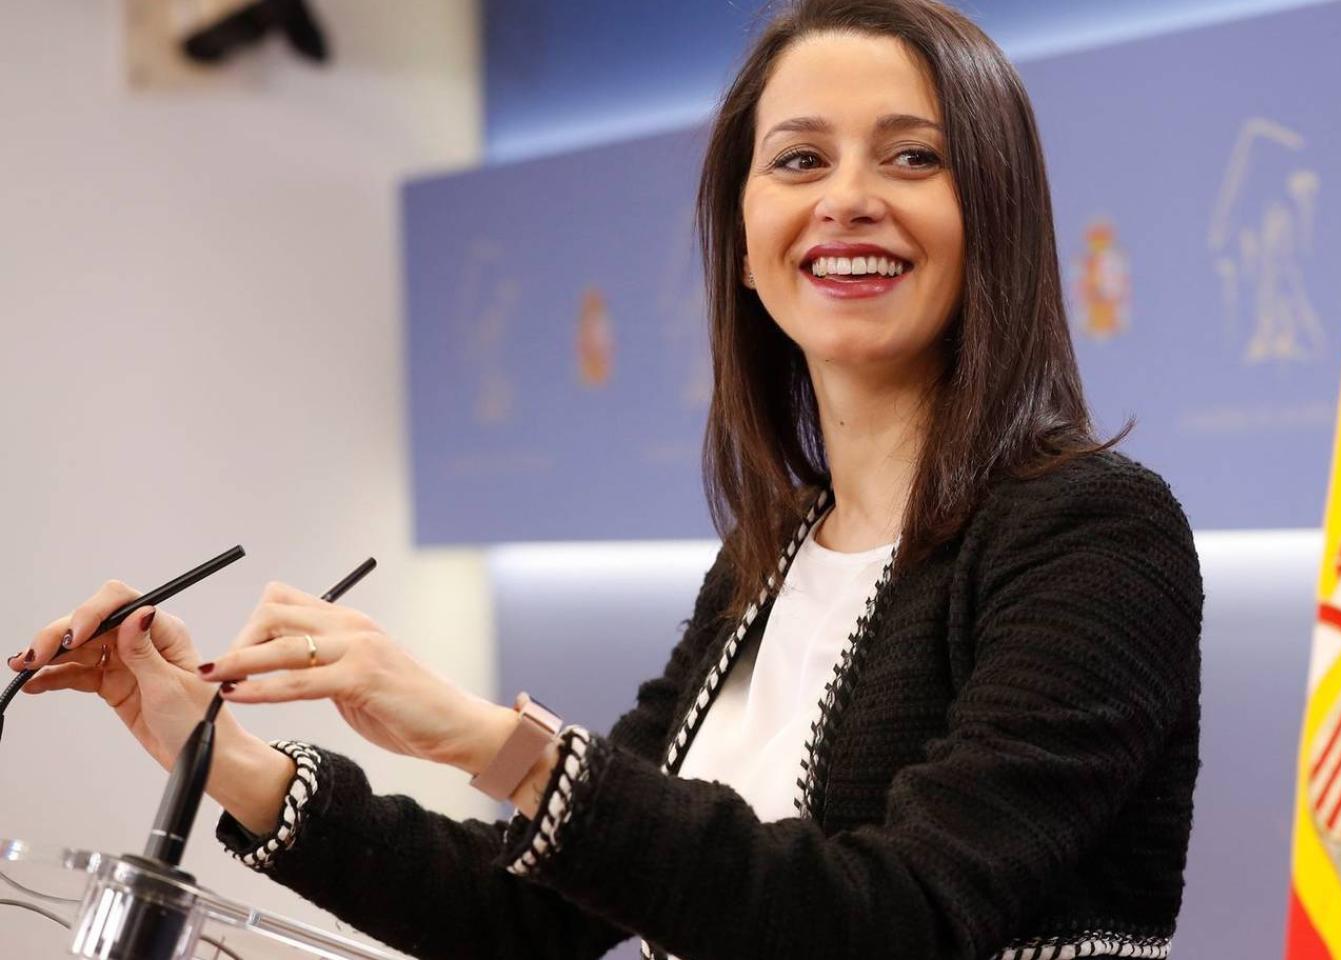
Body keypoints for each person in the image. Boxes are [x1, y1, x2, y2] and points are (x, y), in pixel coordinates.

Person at [11, 1, 1203, 957]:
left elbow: (896, 919)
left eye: (911, 156)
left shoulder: (1094, 534)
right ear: (743, 243)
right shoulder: (770, 554)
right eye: (797, 159)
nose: (846, 196)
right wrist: (205, 742)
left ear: (992, 213)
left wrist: (495, 743)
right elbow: (532, 915)